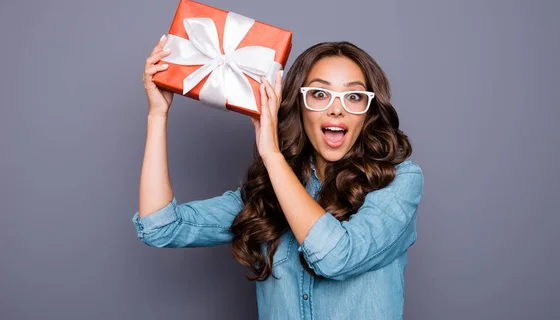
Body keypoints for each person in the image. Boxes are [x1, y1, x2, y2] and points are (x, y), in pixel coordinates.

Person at [132, 36, 424, 319]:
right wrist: (157, 115)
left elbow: (336, 257)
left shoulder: (399, 182)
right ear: (298, 104)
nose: (337, 108)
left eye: (354, 96)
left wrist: (272, 154)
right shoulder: (269, 191)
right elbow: (161, 227)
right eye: (320, 94)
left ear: (369, 111)